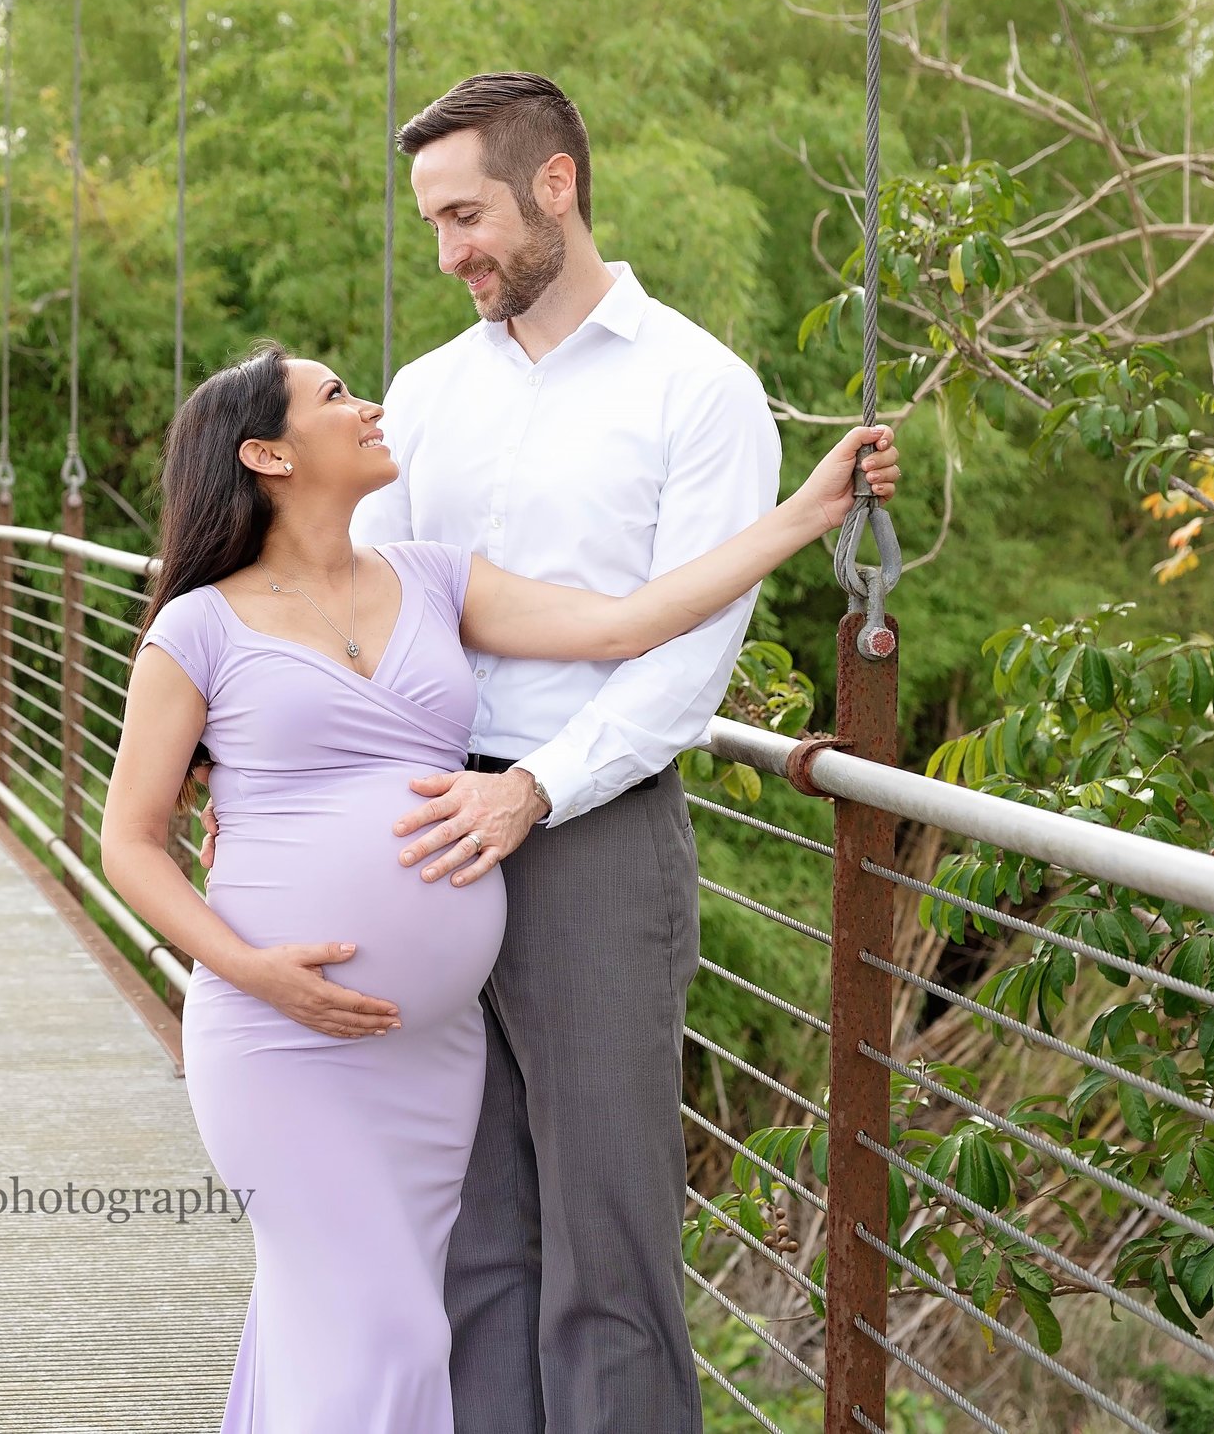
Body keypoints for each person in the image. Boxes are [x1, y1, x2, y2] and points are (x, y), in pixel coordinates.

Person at [97, 341, 895, 1434]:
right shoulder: (197, 627)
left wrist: (804, 514)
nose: (370, 404)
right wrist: (252, 971)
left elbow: (628, 622)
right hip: (281, 1039)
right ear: (266, 454)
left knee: (330, 1325)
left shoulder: (433, 577)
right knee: (386, 1329)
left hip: (429, 1058)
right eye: (335, 395)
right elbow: (130, 841)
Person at [352, 71, 781, 1434]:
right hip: (428, 835)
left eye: (466, 214)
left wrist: (534, 790)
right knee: (472, 1241)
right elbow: (371, 609)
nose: (450, 252)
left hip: (591, 838)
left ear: (555, 186)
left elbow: (685, 661)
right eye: (431, 224)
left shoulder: (702, 391)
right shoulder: (420, 396)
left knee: (607, 1251)